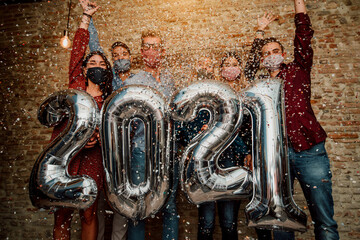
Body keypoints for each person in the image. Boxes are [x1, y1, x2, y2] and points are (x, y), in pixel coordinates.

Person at [245, 0, 339, 239]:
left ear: (284, 54)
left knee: (324, 220)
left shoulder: (298, 71)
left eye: (275, 51)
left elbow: (304, 39)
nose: (271, 56)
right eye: (266, 53)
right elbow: (248, 68)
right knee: (281, 221)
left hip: (309, 151)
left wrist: (299, 6)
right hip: (277, 157)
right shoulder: (260, 84)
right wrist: (260, 32)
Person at [52, 1, 113, 239]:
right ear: (85, 68)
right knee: (62, 212)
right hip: (67, 157)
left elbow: (111, 130)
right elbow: (77, 52)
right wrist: (85, 17)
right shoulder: (76, 88)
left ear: (106, 71)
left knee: (88, 212)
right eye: (92, 63)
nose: (97, 67)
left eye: (101, 64)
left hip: (93, 159)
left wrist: (97, 137)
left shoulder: (109, 101)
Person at [182, 52, 252, 240]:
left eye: (208, 65)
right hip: (204, 168)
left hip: (230, 164)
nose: (204, 69)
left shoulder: (229, 98)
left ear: (215, 71)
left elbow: (233, 133)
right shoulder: (198, 98)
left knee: (229, 222)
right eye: (201, 64)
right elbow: (185, 129)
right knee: (206, 222)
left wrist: (245, 152)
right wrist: (200, 133)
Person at [122, 30, 179, 240]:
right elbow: (125, 122)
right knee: (138, 209)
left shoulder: (170, 81)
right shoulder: (132, 82)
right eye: (147, 46)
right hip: (141, 152)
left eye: (155, 46)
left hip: (169, 152)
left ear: (162, 51)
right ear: (141, 51)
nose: (151, 50)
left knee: (170, 207)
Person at [84, 4, 134, 240]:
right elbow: (95, 49)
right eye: (115, 56)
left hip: (128, 149)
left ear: (131, 57)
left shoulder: (139, 79)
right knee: (101, 200)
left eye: (123, 55)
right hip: (104, 150)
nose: (119, 58)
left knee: (122, 199)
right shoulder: (110, 79)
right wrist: (89, 19)